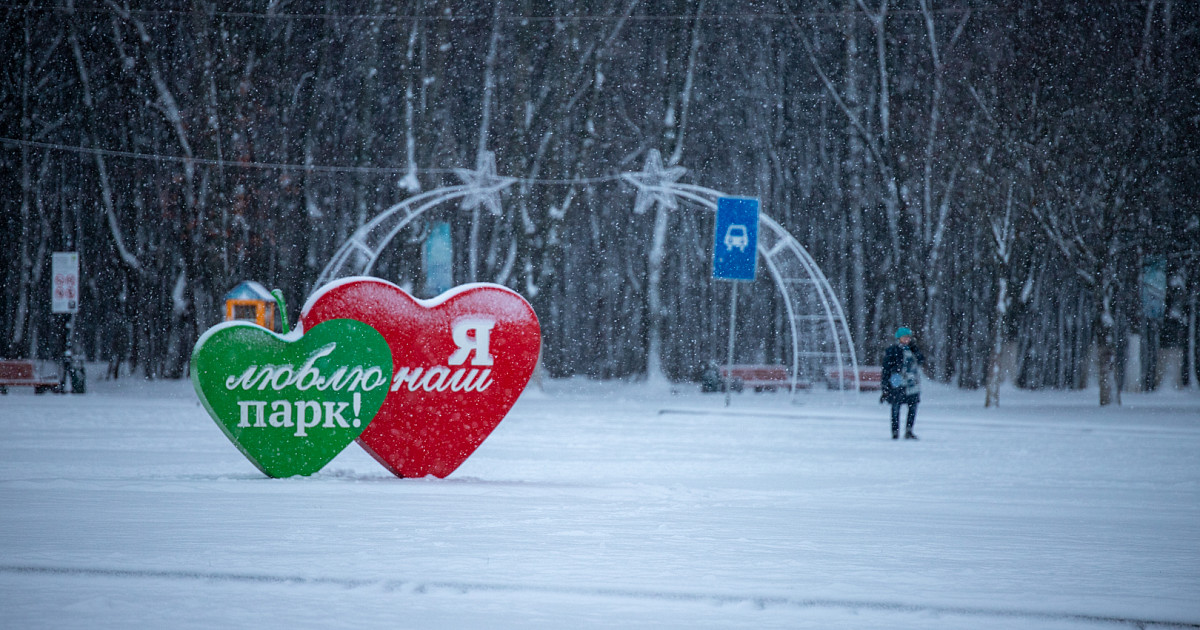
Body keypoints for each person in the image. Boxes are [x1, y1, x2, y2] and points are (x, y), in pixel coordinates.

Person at [881, 327, 925, 440]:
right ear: (899, 338)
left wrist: (915, 350)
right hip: (898, 383)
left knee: (913, 407)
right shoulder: (893, 350)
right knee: (895, 408)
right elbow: (886, 369)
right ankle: (895, 431)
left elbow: (921, 360)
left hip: (912, 383)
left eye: (908, 337)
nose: (907, 339)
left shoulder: (913, 350)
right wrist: (885, 386)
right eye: (904, 337)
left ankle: (909, 430)